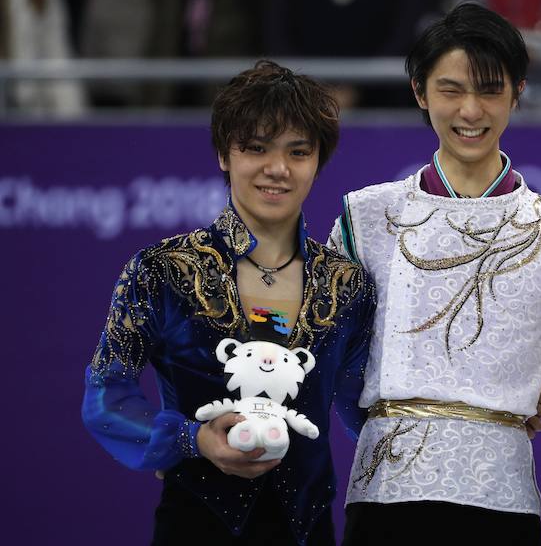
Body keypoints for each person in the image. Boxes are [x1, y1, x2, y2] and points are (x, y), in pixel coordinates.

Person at [82, 60, 376, 546]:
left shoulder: (347, 284)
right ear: (224, 153)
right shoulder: (163, 270)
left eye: (298, 151)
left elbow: (364, 404)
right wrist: (190, 440)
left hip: (309, 531)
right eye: (256, 148)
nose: (277, 169)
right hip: (193, 527)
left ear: (318, 161)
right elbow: (105, 397)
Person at [327, 2, 541, 546]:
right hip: (384, 491)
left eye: (490, 90)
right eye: (450, 90)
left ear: (518, 92)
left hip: (503, 495)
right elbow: (334, 357)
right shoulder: (365, 216)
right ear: (420, 93)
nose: (471, 110)